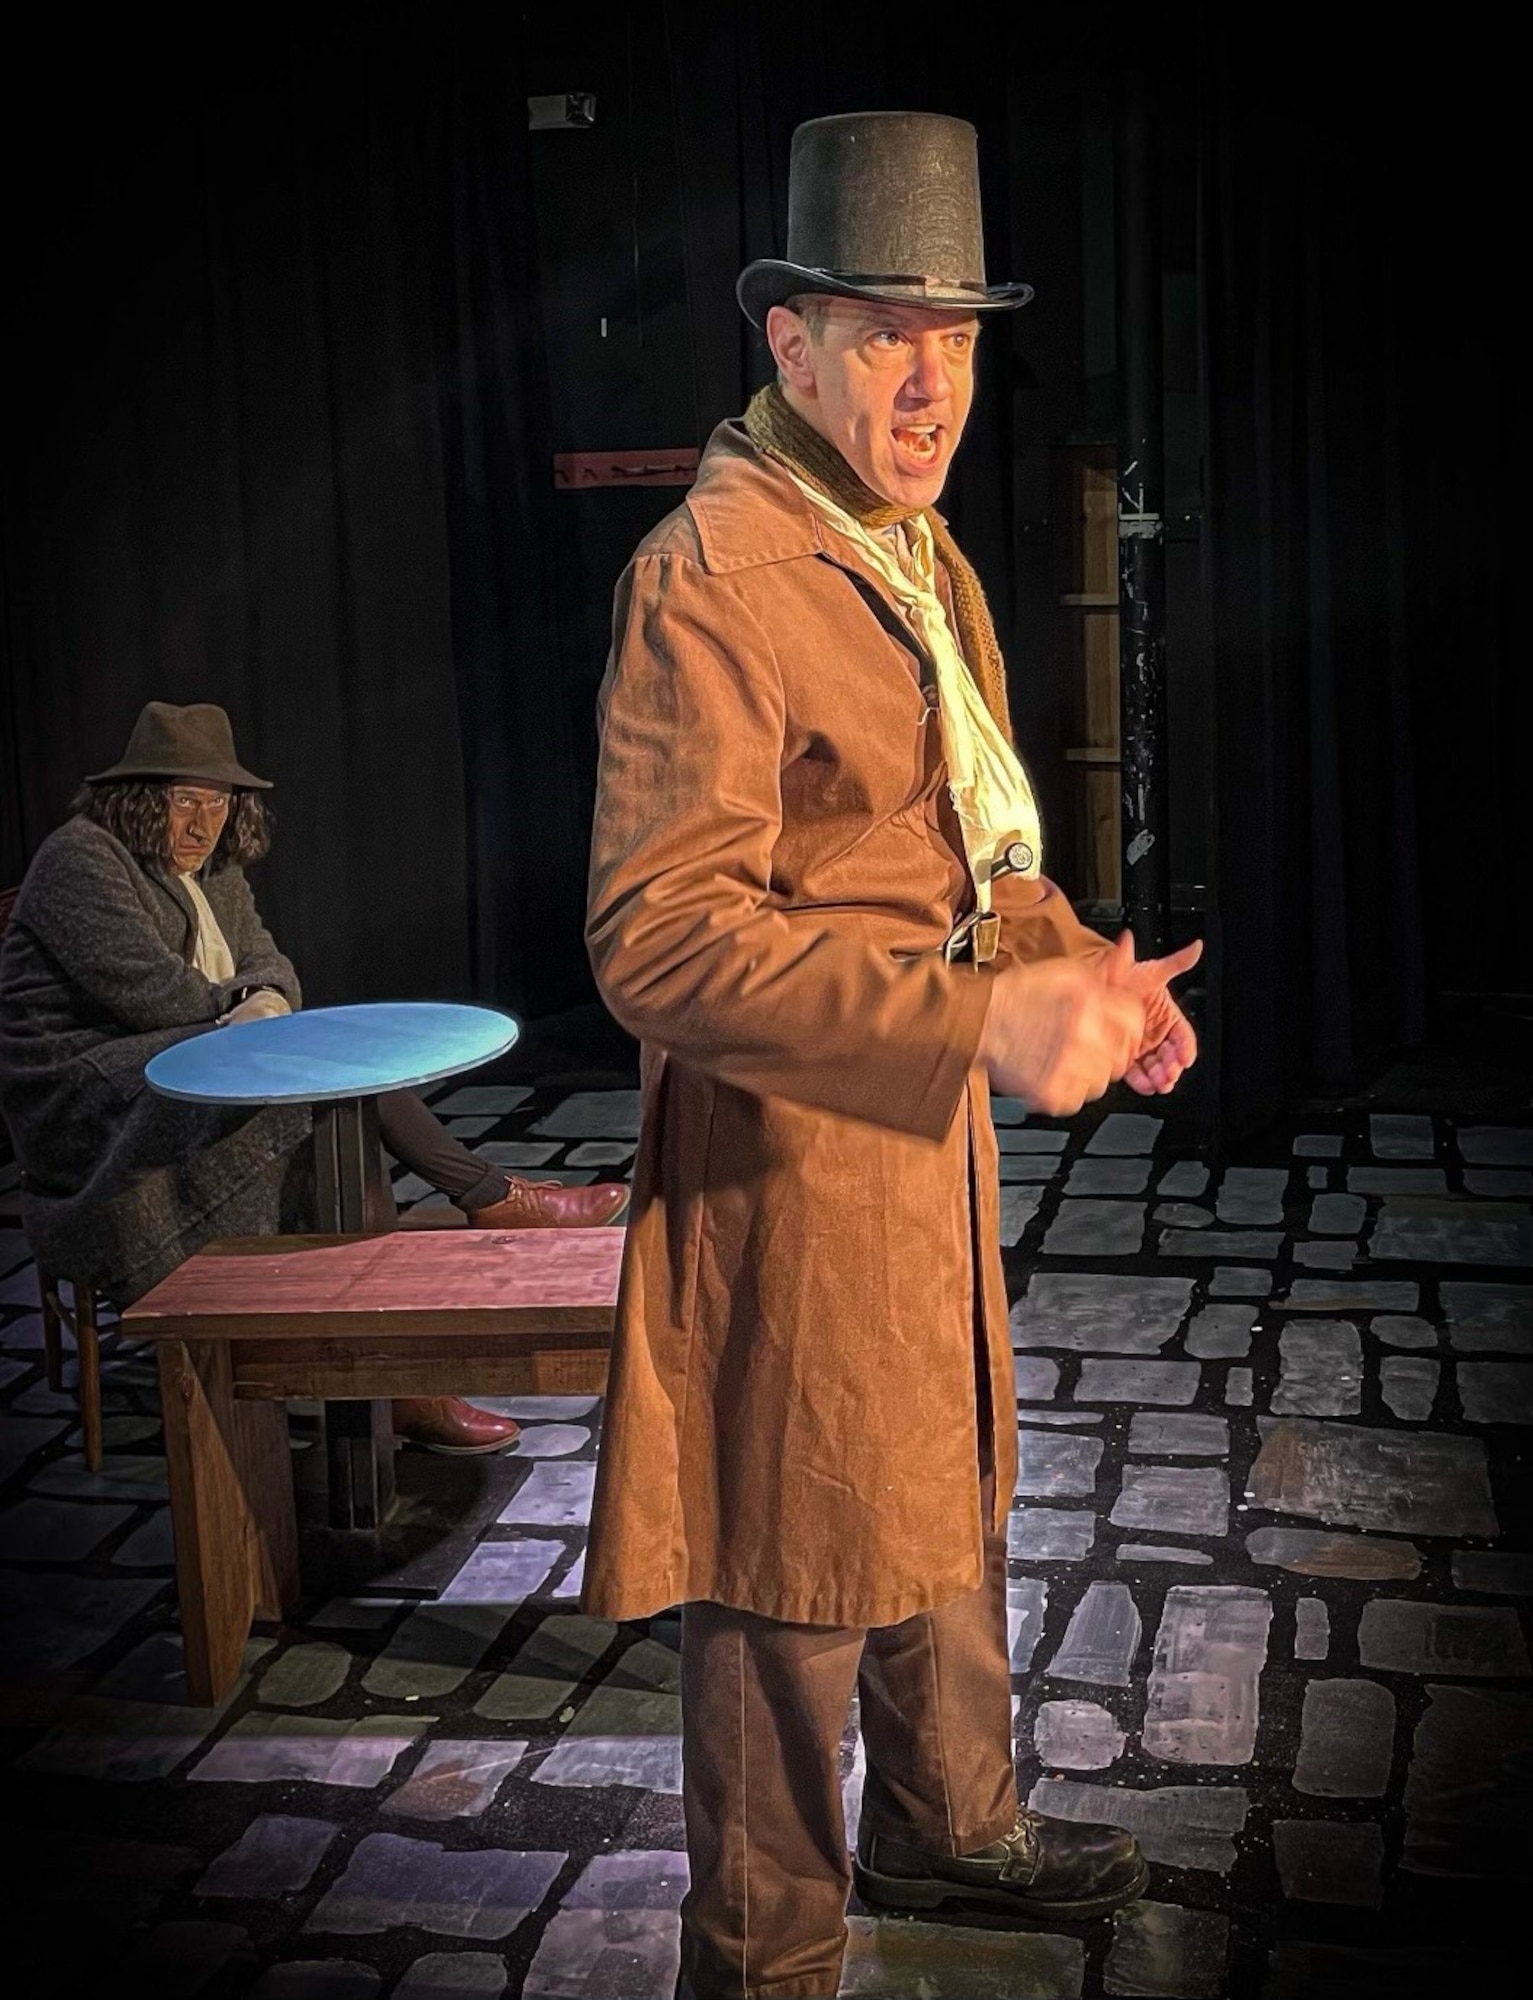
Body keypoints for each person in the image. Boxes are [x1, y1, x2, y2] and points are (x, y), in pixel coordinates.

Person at [582, 113, 1202, 1996]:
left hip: (913, 1140)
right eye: (881, 330)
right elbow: (657, 936)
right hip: (785, 1167)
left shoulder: (906, 550)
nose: (929, 375)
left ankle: (955, 1825)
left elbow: (956, 849)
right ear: (788, 347)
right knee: (790, 1563)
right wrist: (972, 1017)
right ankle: (764, 1952)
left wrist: (1075, 962)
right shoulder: (713, 572)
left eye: (953, 332)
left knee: (939, 1488)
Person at [0, 700, 629, 1457]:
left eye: (220, 802)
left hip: (186, 1054)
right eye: (184, 802)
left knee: (334, 1074)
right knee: (309, 1092)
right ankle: (399, 1350)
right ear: (138, 799)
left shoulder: (213, 865)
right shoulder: (81, 859)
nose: (203, 824)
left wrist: (259, 1000)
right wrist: (250, 1004)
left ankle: (421, 1298)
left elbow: (271, 964)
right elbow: (151, 994)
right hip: (87, 1097)